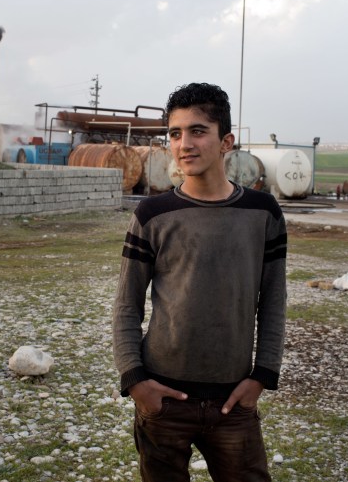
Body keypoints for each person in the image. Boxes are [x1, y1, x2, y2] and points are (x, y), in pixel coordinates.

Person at [112, 82, 287, 482]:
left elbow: (274, 301)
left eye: (197, 131)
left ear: (226, 141)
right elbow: (126, 304)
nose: (184, 144)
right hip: (163, 399)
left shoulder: (263, 212)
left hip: (233, 401)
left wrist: (262, 376)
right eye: (174, 133)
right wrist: (136, 382)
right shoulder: (152, 214)